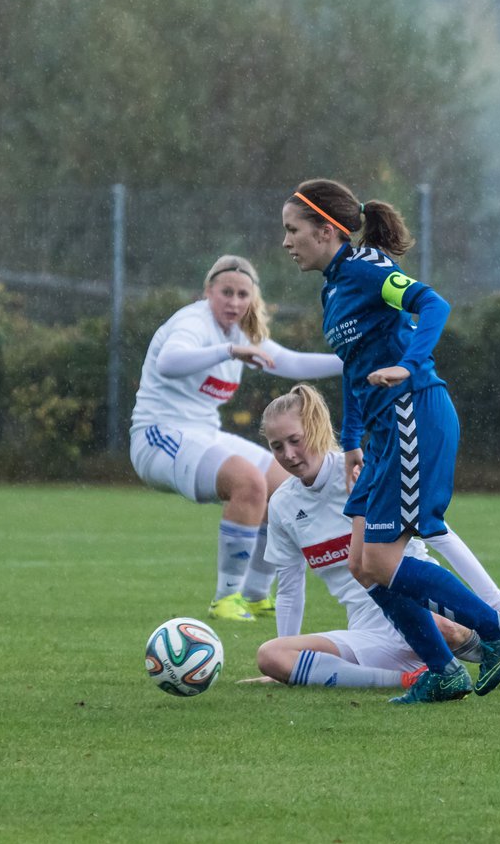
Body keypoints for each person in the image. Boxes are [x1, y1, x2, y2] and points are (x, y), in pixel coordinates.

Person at [281, 178, 500, 704]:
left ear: (325, 231)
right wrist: (350, 440)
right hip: (379, 432)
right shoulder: (333, 289)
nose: (286, 242)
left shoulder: (367, 269)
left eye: (292, 230)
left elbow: (432, 303)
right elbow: (354, 370)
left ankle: (494, 629)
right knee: (361, 563)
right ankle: (443, 672)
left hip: (413, 416)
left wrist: (408, 365)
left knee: (384, 562)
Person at [244, 384, 500, 692]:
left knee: (443, 626)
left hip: (427, 613)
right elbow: (289, 585)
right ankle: (410, 679)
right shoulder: (283, 504)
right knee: (271, 656)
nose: (288, 454)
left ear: (317, 429)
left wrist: (498, 603)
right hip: (368, 632)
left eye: (294, 440)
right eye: (277, 446)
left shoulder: (368, 474)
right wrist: (287, 670)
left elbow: (439, 532)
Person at [130, 254, 342, 622]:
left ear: (253, 298)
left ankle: (256, 594)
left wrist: (353, 363)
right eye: (226, 292)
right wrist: (228, 351)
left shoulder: (241, 331)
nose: (234, 302)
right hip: (157, 435)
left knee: (286, 485)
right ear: (208, 291)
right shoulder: (193, 322)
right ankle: (226, 599)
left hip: (203, 434)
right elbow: (169, 361)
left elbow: (288, 362)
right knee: (248, 481)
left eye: (243, 294)